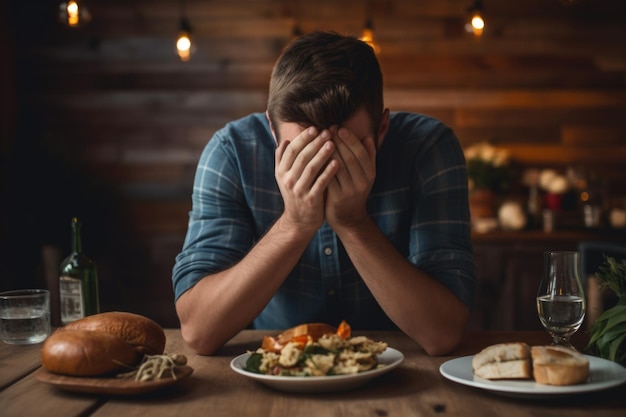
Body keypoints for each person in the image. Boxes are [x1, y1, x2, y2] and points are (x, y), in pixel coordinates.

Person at [172, 31, 476, 356]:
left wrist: (353, 223)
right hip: (275, 364)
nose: (324, 170)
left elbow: (443, 334)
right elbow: (199, 331)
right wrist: (295, 223)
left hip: (404, 366)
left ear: (382, 129)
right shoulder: (231, 152)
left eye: (347, 149)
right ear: (272, 130)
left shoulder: (428, 148)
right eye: (302, 151)